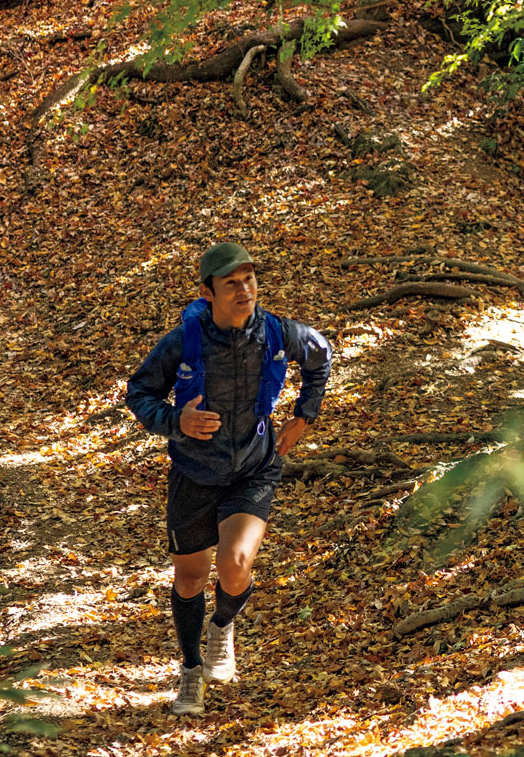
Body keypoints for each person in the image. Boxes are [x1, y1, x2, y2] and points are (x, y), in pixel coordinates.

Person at [126, 242, 333, 716]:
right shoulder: (184, 341)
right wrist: (176, 421)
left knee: (236, 561)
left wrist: (305, 415)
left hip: (253, 469)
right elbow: (139, 392)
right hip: (195, 473)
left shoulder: (277, 332)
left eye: (250, 280)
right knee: (190, 577)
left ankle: (222, 627)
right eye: (232, 284)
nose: (245, 291)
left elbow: (320, 354)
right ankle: (191, 672)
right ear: (208, 291)